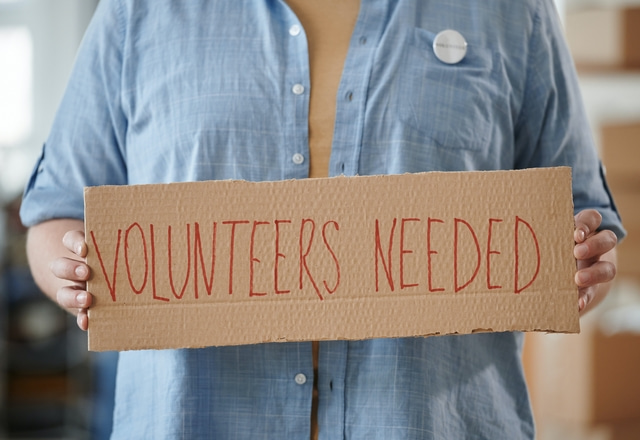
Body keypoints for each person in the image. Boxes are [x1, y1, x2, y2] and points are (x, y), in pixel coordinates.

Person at [20, 0, 624, 438]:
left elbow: (577, 218)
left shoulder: (512, 13)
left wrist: (582, 265)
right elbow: (55, 213)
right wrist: (70, 268)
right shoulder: (137, 13)